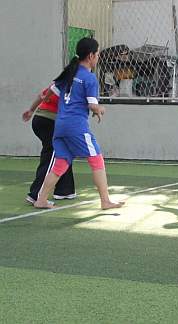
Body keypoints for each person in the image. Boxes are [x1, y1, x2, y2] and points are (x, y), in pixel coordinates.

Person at [33, 37, 124, 210]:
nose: (98, 58)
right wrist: (100, 109)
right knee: (96, 159)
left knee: (61, 162)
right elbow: (92, 104)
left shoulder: (69, 73)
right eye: (97, 54)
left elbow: (48, 94)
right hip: (76, 127)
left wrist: (32, 110)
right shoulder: (89, 78)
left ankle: (41, 199)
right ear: (90, 56)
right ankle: (105, 201)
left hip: (60, 125)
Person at [22, 86, 76, 204]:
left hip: (40, 120)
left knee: (64, 152)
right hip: (49, 121)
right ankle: (36, 195)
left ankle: (65, 191)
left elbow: (41, 95)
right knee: (51, 156)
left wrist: (31, 110)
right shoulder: (75, 83)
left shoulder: (61, 81)